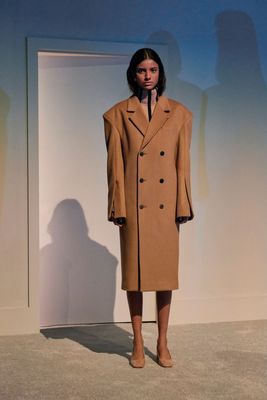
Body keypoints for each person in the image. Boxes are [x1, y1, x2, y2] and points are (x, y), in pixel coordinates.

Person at [103, 48, 194, 368]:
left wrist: (184, 203)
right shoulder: (116, 115)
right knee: (135, 277)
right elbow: (115, 166)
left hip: (166, 207)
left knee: (165, 277)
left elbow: (183, 165)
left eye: (153, 69)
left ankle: (164, 341)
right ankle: (138, 343)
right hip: (134, 208)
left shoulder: (181, 114)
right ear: (133, 74)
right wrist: (118, 206)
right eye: (142, 70)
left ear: (160, 73)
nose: (147, 75)